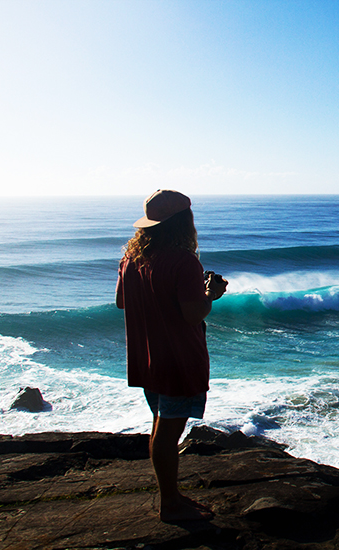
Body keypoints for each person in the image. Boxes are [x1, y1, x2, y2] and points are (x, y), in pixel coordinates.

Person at [115, 189, 228, 522]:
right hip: (178, 359)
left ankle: (171, 495)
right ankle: (170, 505)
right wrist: (212, 294)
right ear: (184, 222)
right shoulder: (183, 261)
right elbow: (194, 314)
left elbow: (122, 302)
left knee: (159, 426)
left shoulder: (131, 257)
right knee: (168, 433)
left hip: (148, 357)